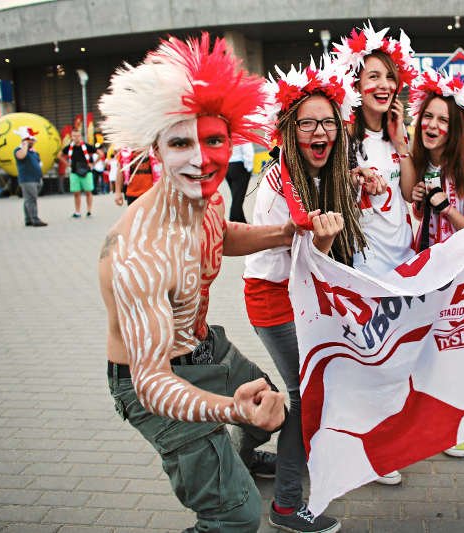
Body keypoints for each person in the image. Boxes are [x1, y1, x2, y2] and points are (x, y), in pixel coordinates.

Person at [98, 34, 297, 532]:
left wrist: (287, 233)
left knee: (272, 401)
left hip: (207, 347)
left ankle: (232, 460)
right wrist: (231, 409)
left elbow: (222, 234)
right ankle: (223, 492)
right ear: (156, 149)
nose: (201, 159)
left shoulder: (206, 199)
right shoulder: (139, 253)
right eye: (181, 143)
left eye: (213, 141)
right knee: (237, 517)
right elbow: (151, 382)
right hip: (152, 379)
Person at [244, 56, 365, 533]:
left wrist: (362, 184)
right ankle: (287, 506)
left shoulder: (323, 174)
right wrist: (320, 244)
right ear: (290, 131)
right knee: (304, 393)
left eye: (328, 122)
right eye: (308, 123)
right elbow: (299, 261)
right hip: (274, 297)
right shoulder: (278, 182)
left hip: (300, 295)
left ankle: (242, 446)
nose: (320, 132)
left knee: (307, 389)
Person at [408, 69, 464, 457]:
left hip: (458, 280)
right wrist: (420, 204)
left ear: (454, 128)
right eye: (429, 116)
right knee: (426, 352)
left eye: (443, 119)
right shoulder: (414, 164)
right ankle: (438, 425)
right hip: (422, 275)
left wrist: (445, 208)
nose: (433, 125)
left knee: (458, 353)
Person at [333, 21, 419, 282]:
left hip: (405, 256)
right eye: (374, 76)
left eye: (390, 77)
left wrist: (402, 144)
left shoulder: (398, 131)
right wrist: (355, 177)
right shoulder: (341, 137)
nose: (385, 85)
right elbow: (328, 193)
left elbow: (408, 193)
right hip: (365, 264)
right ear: (356, 86)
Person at [13, 126, 47, 227]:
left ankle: (28, 219)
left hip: (36, 179)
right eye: (30, 140)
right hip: (27, 179)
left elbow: (38, 163)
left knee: (28, 199)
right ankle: (35, 219)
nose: (32, 141)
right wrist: (24, 144)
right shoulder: (19, 150)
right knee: (31, 199)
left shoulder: (34, 152)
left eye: (32, 140)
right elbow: (21, 156)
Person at [60, 129, 95, 218]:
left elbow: (101, 154)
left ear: (81, 136)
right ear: (71, 137)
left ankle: (89, 210)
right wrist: (67, 164)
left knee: (88, 192)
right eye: (74, 136)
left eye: (78, 136)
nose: (76, 138)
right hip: (74, 172)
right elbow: (59, 155)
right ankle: (77, 211)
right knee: (76, 193)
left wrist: (93, 164)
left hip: (87, 172)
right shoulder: (69, 147)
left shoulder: (87, 146)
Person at [226, 141, 254, 222]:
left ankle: (242, 221)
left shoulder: (228, 134)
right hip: (239, 166)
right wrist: (249, 168)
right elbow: (248, 152)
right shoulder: (242, 134)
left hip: (228, 166)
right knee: (238, 199)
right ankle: (232, 222)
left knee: (236, 197)